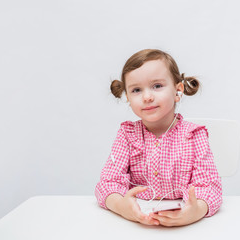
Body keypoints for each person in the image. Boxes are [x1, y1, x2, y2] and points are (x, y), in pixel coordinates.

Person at [95, 49, 222, 227]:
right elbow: (108, 183)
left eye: (157, 86)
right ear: (128, 98)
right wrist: (121, 206)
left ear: (178, 90)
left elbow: (209, 186)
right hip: (136, 223)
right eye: (136, 90)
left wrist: (196, 211)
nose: (147, 97)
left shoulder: (194, 135)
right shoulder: (127, 134)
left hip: (190, 226)